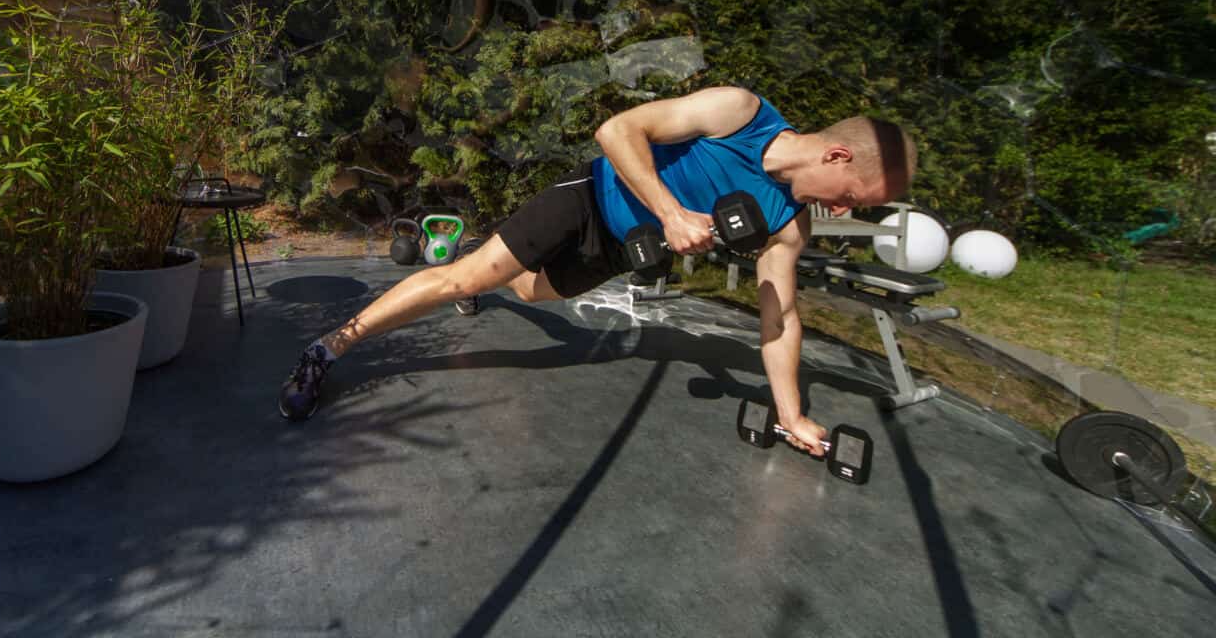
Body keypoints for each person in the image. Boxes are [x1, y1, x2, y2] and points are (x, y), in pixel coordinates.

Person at [278, 86, 918, 455]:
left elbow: (781, 319)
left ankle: (487, 271)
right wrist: (671, 212)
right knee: (465, 277)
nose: (842, 211)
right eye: (853, 197)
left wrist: (790, 413)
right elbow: (617, 129)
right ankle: (327, 350)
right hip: (588, 196)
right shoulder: (740, 114)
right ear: (837, 154)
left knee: (523, 286)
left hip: (619, 251)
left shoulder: (788, 225)